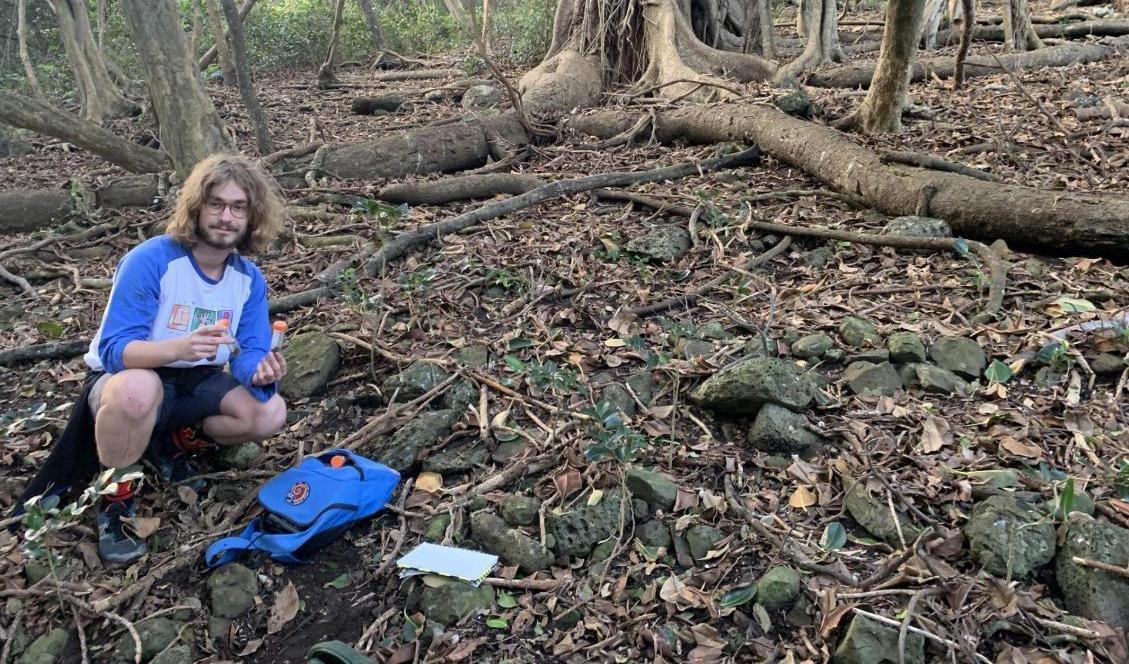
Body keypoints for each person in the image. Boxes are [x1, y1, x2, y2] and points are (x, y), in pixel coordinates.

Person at [17, 153, 289, 566]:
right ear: (197, 207)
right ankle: (115, 504)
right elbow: (113, 349)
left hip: (194, 381)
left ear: (252, 218)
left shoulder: (247, 278)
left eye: (238, 208)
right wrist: (176, 348)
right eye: (216, 204)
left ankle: (168, 447)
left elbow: (249, 351)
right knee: (137, 390)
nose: (226, 217)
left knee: (269, 413)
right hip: (127, 378)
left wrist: (263, 369)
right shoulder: (152, 260)